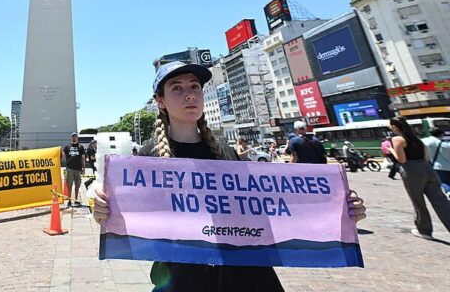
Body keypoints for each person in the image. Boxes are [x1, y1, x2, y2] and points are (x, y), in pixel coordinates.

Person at [92, 61, 367, 291]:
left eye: (195, 87)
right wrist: (104, 208)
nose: (190, 95)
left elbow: (264, 204)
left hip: (244, 273)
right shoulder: (147, 156)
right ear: (160, 101)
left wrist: (336, 207)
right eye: (177, 88)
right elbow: (132, 214)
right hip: (184, 276)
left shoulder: (225, 150)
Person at [388, 117, 450, 240]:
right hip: (427, 168)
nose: (389, 127)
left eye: (390, 125)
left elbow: (402, 160)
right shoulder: (418, 140)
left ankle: (424, 230)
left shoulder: (397, 139)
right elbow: (426, 158)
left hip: (412, 170)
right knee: (441, 201)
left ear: (395, 127)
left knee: (418, 201)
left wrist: (391, 150)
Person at [61, 132, 85, 207]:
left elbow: (83, 158)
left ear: (77, 138)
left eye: (75, 136)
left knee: (77, 185)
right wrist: (58, 151)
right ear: (71, 138)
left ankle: (76, 200)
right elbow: (62, 154)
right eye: (73, 136)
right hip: (69, 169)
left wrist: (83, 168)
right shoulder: (67, 147)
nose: (74, 137)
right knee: (69, 185)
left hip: (78, 169)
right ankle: (69, 200)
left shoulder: (81, 147)